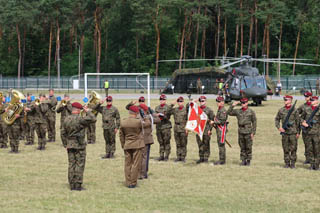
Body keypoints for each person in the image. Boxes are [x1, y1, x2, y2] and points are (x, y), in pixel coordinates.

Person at [61, 102, 96, 191]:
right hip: (79, 145)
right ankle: (78, 184)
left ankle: (71, 184)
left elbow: (62, 133)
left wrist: (65, 144)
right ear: (78, 110)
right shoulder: (80, 119)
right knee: (80, 164)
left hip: (70, 144)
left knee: (71, 164)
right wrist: (87, 111)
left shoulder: (66, 119)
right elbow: (93, 119)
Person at [119, 105, 151, 188]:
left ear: (129, 112)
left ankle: (128, 181)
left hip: (127, 144)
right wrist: (144, 116)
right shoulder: (138, 122)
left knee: (127, 164)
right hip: (137, 145)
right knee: (135, 164)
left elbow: (121, 135)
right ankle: (133, 182)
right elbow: (148, 124)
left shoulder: (123, 122)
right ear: (136, 113)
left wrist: (123, 144)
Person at [227, 98, 257, 166]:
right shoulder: (238, 111)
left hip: (248, 131)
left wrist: (253, 132)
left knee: (248, 147)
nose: (243, 104)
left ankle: (248, 160)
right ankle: (243, 160)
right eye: (242, 103)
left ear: (247, 103)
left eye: (244, 103)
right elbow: (228, 113)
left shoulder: (251, 111)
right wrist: (233, 105)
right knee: (242, 146)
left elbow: (254, 122)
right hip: (241, 131)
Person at [275, 95, 300, 169]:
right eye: (284, 99)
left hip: (293, 132)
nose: (285, 101)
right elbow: (277, 119)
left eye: (286, 99)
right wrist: (279, 127)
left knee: (293, 149)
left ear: (290, 100)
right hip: (285, 133)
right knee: (285, 149)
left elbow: (298, 122)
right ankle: (286, 163)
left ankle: (292, 164)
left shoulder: (295, 110)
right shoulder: (281, 110)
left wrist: (298, 132)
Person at [301, 96, 320, 170]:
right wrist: (303, 122)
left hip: (316, 133)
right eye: (311, 100)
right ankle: (312, 165)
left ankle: (317, 165)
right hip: (308, 133)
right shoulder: (307, 109)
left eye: (313, 100)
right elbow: (300, 118)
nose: (311, 101)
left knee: (317, 149)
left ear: (317, 101)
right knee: (310, 149)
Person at [195, 96, 215, 164]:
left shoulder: (209, 110)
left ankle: (206, 158)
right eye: (200, 101)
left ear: (205, 101)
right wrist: (194, 101)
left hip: (206, 129)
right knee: (200, 144)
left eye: (203, 101)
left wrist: (210, 129)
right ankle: (201, 158)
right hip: (199, 129)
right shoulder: (197, 109)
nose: (201, 102)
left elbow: (212, 120)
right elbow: (188, 108)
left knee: (206, 144)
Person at [169, 96, 188, 162]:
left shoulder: (186, 110)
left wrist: (187, 128)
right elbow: (168, 111)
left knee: (183, 143)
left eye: (181, 101)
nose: (180, 103)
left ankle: (183, 157)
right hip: (176, 128)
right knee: (178, 143)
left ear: (183, 102)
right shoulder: (175, 110)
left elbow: (189, 119)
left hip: (183, 128)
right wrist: (172, 104)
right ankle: (178, 156)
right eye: (179, 101)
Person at [210, 96, 228, 165]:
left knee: (221, 145)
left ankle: (222, 160)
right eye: (217, 102)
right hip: (219, 130)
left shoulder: (223, 110)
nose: (218, 103)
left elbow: (222, 121)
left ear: (222, 102)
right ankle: (221, 159)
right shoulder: (219, 109)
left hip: (221, 130)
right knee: (220, 145)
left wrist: (214, 122)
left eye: (219, 102)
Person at [155, 94, 172, 161]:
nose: (162, 101)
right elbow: (155, 116)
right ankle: (161, 155)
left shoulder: (168, 108)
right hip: (159, 127)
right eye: (161, 99)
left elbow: (167, 116)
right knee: (160, 142)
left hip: (166, 127)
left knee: (166, 142)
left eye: (163, 99)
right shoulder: (157, 108)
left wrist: (161, 115)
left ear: (165, 100)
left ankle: (166, 156)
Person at [297, 91, 312, 164]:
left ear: (310, 97)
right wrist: (302, 121)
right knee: (307, 143)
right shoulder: (302, 106)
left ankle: (315, 159)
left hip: (315, 129)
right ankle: (308, 159)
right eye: (305, 97)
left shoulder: (315, 106)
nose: (306, 98)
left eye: (307, 97)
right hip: (306, 129)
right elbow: (296, 114)